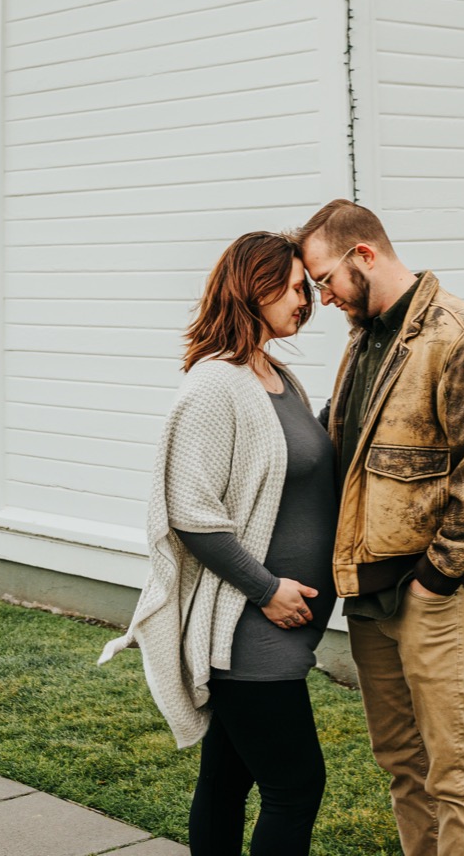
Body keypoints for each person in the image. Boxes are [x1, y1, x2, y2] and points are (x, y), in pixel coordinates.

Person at [99, 231, 336, 856]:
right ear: (251, 289)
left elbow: (294, 468)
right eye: (291, 289)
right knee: (296, 785)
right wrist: (267, 590)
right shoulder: (215, 386)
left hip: (280, 622)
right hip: (249, 627)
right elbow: (191, 515)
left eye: (307, 289)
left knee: (227, 779)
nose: (304, 301)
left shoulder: (277, 375)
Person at [297, 201, 464, 856]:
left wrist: (433, 579)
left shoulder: (459, 335)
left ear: (362, 256)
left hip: (434, 598)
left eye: (325, 281)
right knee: (402, 766)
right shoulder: (364, 337)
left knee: (452, 772)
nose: (323, 297)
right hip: (367, 598)